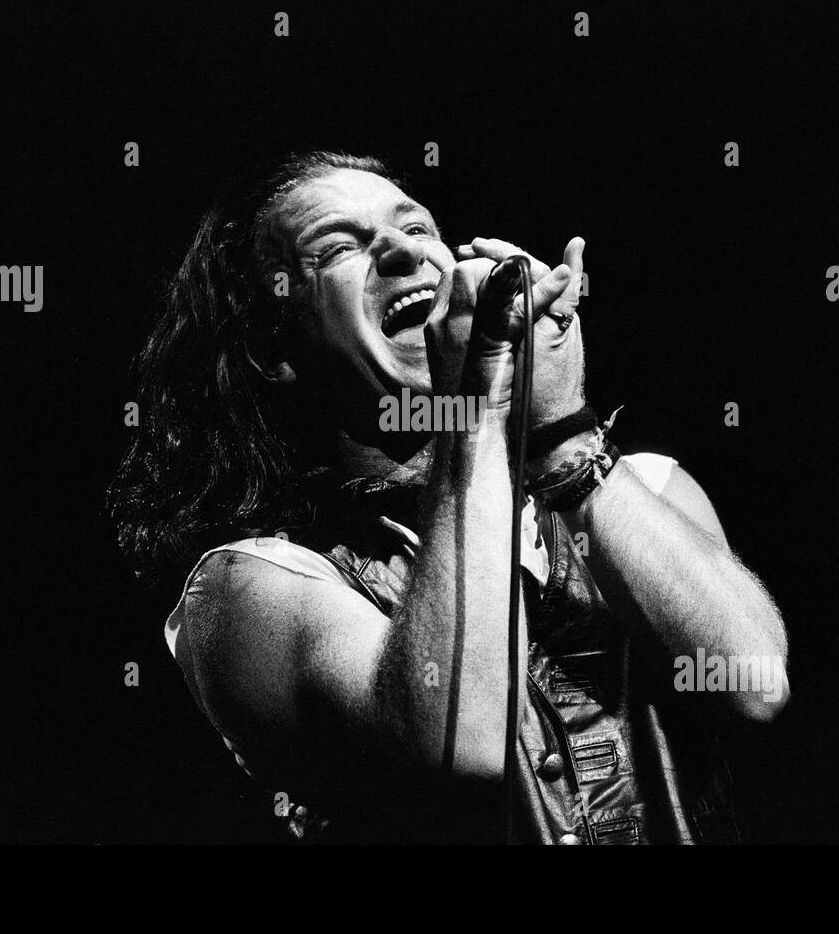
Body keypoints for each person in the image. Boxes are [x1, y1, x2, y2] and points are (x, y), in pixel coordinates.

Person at [109, 150, 789, 843]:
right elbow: (457, 745)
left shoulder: (641, 487)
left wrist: (562, 435)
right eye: (339, 247)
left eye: (417, 227)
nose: (405, 251)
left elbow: (753, 685)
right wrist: (478, 409)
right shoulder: (247, 589)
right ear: (270, 348)